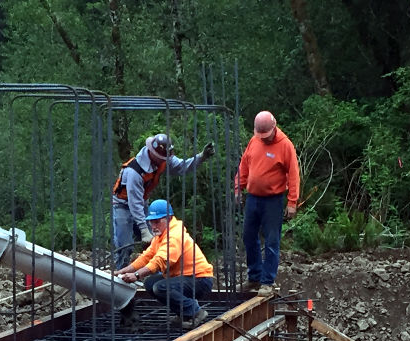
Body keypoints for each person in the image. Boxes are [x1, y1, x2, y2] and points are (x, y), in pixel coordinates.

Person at [112, 134, 215, 269]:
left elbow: (181, 166)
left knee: (156, 241)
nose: (164, 161)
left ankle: (152, 271)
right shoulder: (134, 172)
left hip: (142, 203)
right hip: (123, 205)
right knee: (124, 245)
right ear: (152, 153)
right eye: (162, 158)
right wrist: (144, 230)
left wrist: (201, 157)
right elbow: (134, 203)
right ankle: (121, 272)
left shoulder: (163, 159)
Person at [116, 199, 213, 329]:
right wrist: (122, 272)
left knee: (161, 287)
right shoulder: (161, 235)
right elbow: (146, 257)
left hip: (200, 279)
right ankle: (184, 314)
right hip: (184, 277)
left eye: (157, 222)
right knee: (150, 283)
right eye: (151, 222)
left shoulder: (174, 236)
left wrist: (137, 275)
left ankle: (195, 312)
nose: (153, 226)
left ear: (169, 218)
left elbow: (160, 260)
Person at [234, 111, 299, 298]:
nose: (263, 138)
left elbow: (293, 174)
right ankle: (254, 276)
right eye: (260, 135)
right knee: (248, 236)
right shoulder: (254, 141)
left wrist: (292, 201)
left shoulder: (285, 145)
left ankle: (267, 281)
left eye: (266, 135)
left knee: (271, 241)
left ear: (274, 128)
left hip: (273, 200)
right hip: (253, 198)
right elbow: (244, 165)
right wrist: (238, 187)